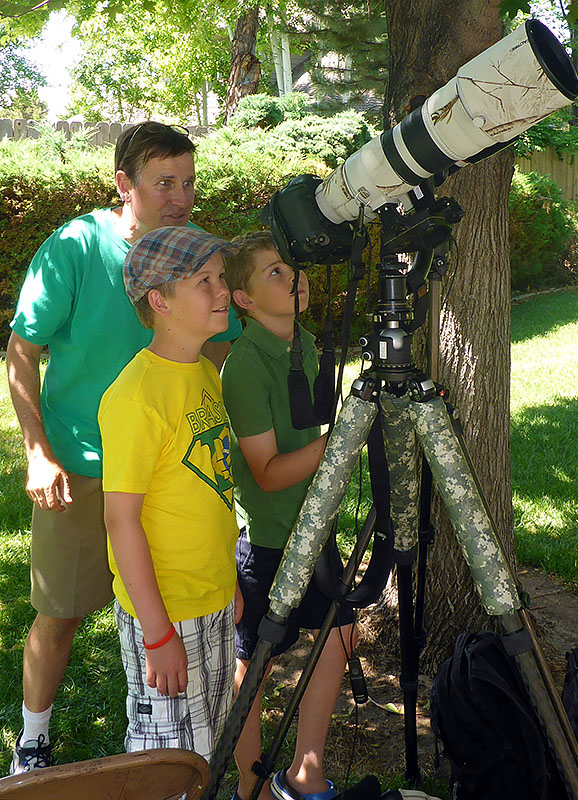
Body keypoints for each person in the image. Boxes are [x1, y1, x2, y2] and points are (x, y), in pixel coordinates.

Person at [6, 121, 241, 774]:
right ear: (123, 184)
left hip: (171, 478)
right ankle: (33, 740)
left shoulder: (197, 257)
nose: (181, 198)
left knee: (164, 615)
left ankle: (167, 728)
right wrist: (37, 450)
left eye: (189, 183)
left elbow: (220, 347)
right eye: (164, 183)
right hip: (84, 468)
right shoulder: (74, 248)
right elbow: (23, 348)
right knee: (59, 617)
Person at [221, 230, 356, 800]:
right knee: (256, 662)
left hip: (315, 525)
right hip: (272, 538)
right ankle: (248, 779)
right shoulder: (245, 367)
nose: (294, 278)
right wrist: (341, 441)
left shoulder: (305, 340)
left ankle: (306, 770)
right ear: (243, 300)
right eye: (274, 272)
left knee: (340, 634)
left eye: (293, 267)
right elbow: (270, 471)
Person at [99, 225, 241, 758]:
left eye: (221, 277)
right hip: (166, 609)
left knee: (211, 737)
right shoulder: (136, 399)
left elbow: (210, 483)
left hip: (213, 599)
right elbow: (121, 522)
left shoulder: (204, 371)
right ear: (159, 300)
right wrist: (157, 634)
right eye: (204, 281)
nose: (223, 290)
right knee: (170, 758)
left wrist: (227, 584)